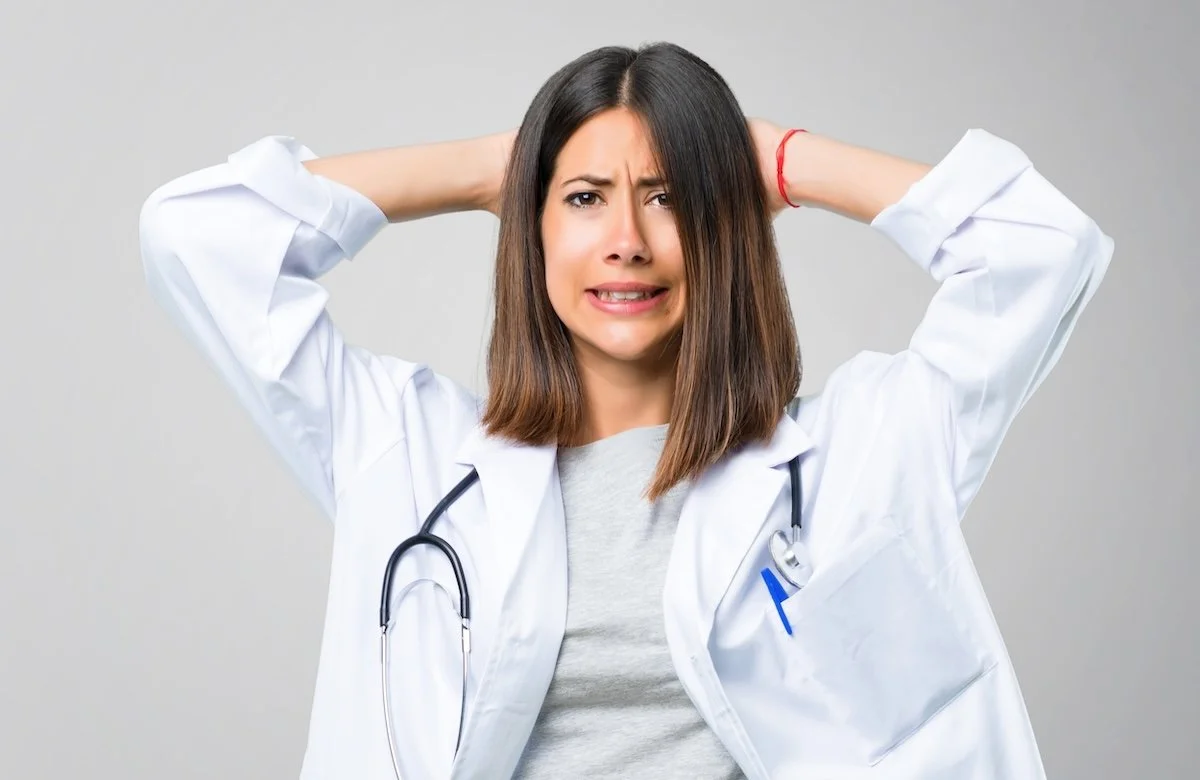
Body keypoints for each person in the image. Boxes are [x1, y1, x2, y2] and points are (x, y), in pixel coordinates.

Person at [139, 41, 1113, 780]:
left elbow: (1041, 245)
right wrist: (496, 166)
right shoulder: (405, 454)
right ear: (531, 224)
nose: (626, 240)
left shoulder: (861, 456)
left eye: (669, 196)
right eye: (583, 199)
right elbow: (199, 234)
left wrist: (776, 161)